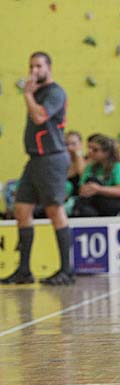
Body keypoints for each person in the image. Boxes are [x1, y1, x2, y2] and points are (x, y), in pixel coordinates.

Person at [1, 52, 73, 285]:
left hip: (52, 158)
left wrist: (27, 95)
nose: (34, 71)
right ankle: (24, 270)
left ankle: (66, 270)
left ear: (49, 67)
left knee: (54, 210)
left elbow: (40, 117)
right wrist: (31, 95)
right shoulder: (37, 93)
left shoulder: (55, 92)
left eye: (39, 66)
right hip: (35, 159)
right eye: (31, 66)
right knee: (21, 209)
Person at [72, 134, 120, 217]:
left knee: (93, 181)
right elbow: (82, 188)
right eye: (89, 148)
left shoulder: (117, 166)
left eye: (95, 150)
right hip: (93, 203)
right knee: (85, 210)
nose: (90, 152)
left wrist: (98, 189)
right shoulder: (90, 167)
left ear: (107, 153)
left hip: (112, 203)